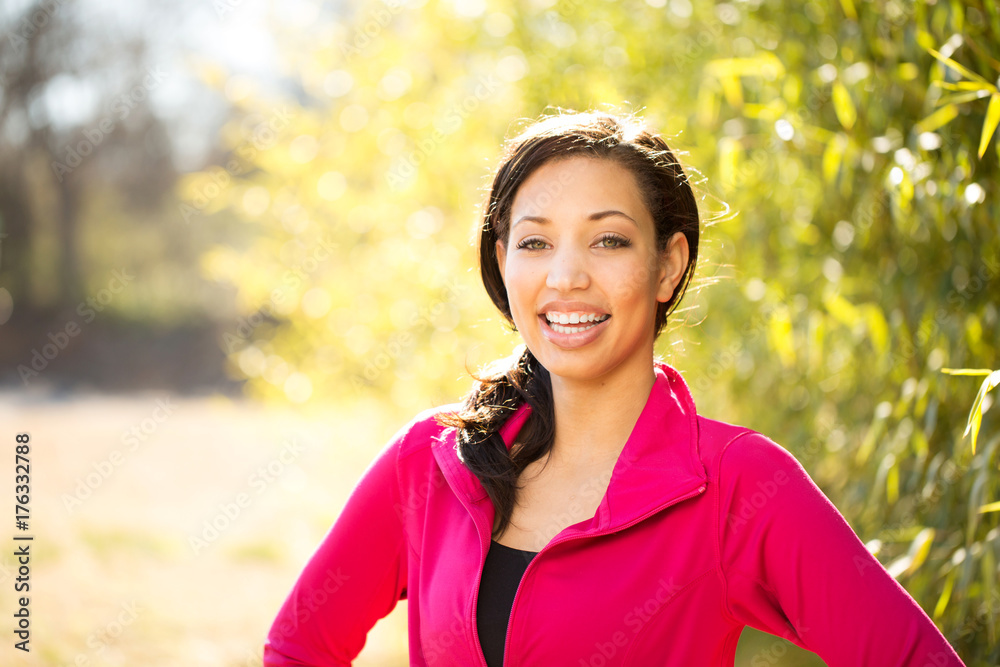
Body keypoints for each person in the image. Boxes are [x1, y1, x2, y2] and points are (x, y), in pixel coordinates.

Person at [262, 108, 966, 666]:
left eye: (609, 241)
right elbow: (299, 646)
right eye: (535, 242)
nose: (566, 276)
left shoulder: (738, 484)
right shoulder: (432, 460)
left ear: (668, 265)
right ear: (503, 263)